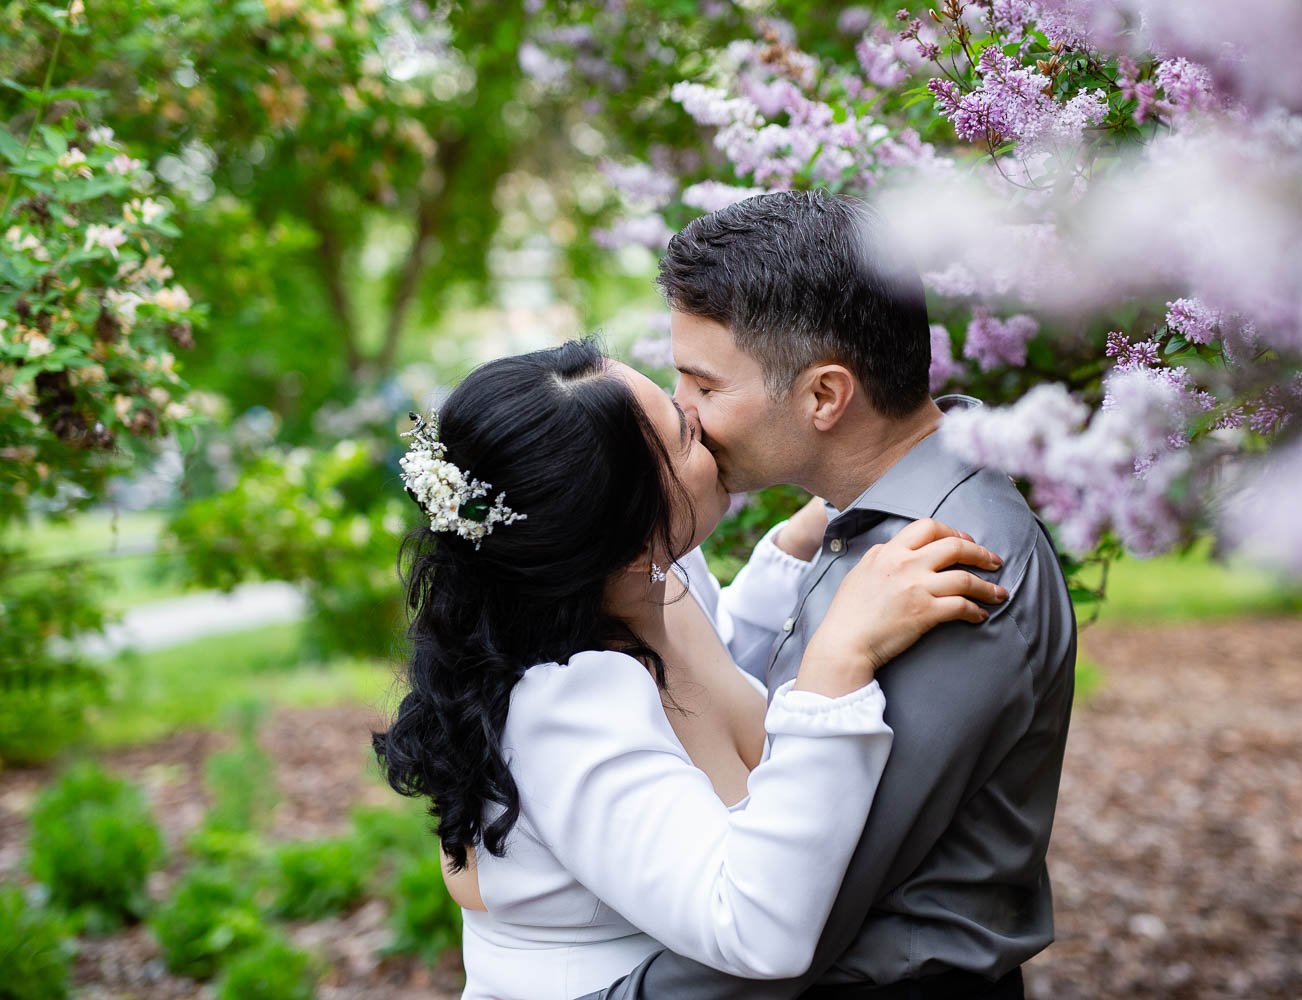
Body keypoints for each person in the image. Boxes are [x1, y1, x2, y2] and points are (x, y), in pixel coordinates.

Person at [372, 338, 1007, 1000]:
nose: (701, 416)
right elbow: (755, 930)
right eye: (684, 433)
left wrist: (818, 523)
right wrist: (839, 658)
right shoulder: (568, 708)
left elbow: (715, 676)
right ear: (633, 534)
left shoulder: (653, 580)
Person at [582, 189, 1077, 1000]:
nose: (685, 415)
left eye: (704, 386)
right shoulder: (874, 520)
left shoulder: (951, 567)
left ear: (824, 396)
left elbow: (807, 899)